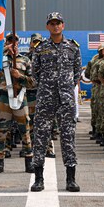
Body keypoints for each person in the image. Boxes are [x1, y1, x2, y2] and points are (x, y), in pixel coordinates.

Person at [30, 12, 82, 193]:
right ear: (47, 27)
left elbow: (76, 73)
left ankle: (71, 179)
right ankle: (38, 178)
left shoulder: (73, 47)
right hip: (46, 98)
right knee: (41, 136)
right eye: (52, 23)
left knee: (68, 137)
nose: (55, 26)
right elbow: (34, 72)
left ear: (63, 25)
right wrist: (46, 87)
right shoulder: (40, 48)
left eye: (58, 23)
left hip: (66, 99)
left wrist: (66, 87)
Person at [0, 34, 35, 174]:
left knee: (25, 131)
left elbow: (33, 81)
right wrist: (5, 50)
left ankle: (29, 160)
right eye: (10, 40)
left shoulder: (25, 60)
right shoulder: (0, 59)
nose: (12, 43)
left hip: (21, 98)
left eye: (15, 40)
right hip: (4, 99)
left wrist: (20, 76)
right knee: (2, 131)